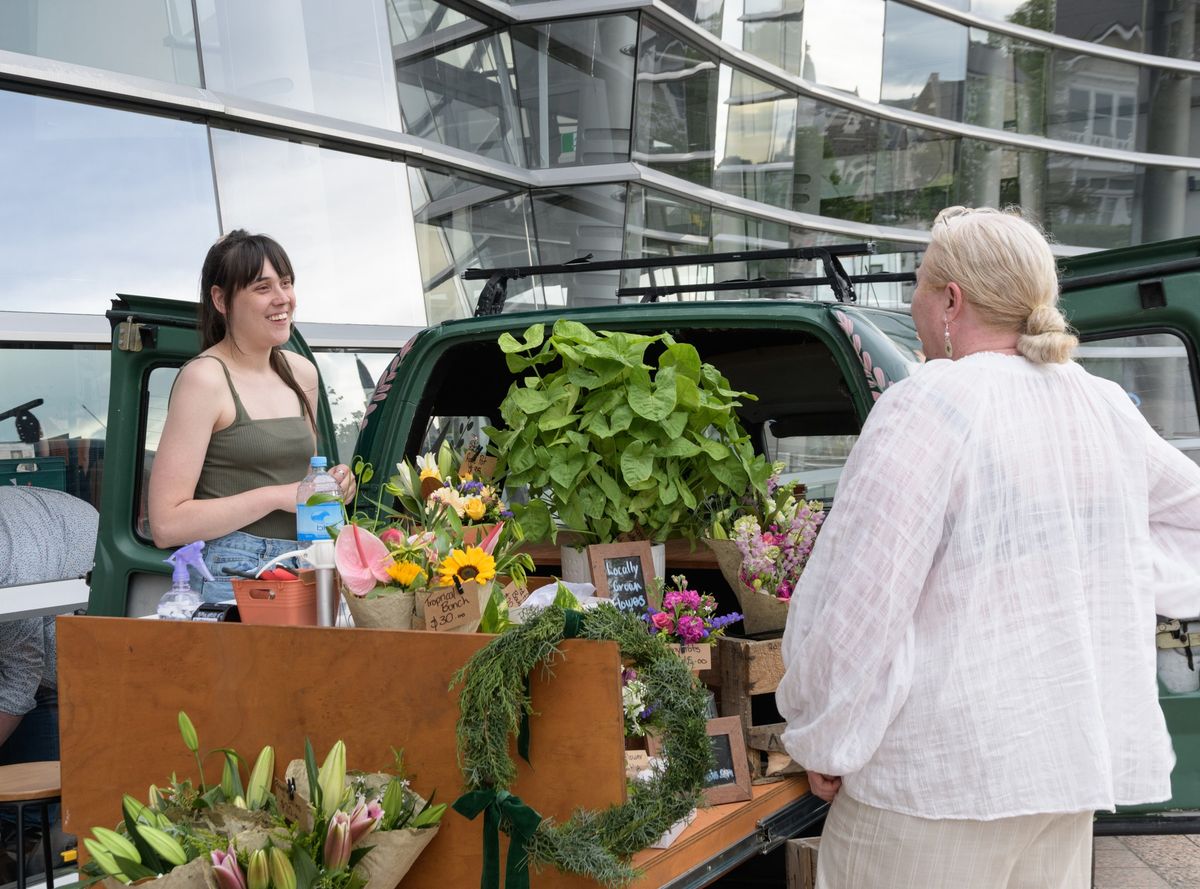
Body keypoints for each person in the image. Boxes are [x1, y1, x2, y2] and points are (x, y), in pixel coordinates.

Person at [776, 206, 1200, 889]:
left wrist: (824, 735)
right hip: (1062, 773)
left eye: (917, 283)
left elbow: (859, 600)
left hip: (935, 779)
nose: (911, 301)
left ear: (951, 298)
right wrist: (1093, 563)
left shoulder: (931, 403)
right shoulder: (1103, 406)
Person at [148, 230, 354, 601]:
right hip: (231, 573)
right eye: (263, 288)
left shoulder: (301, 373)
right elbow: (166, 523)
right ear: (221, 299)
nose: (282, 299)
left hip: (307, 565)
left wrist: (331, 486)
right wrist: (276, 496)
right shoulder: (204, 379)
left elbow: (302, 484)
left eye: (286, 283)